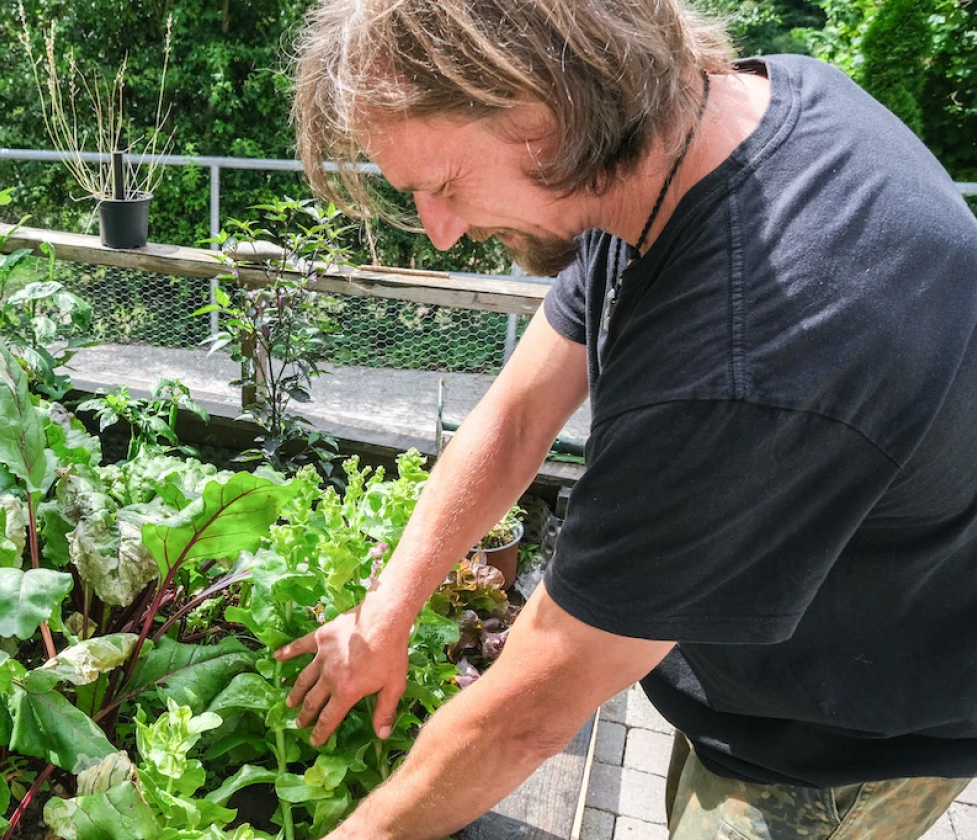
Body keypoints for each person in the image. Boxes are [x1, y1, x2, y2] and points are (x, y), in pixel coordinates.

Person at [274, 1, 977, 838]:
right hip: (766, 654)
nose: (441, 231)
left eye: (444, 185)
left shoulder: (742, 358)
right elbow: (518, 413)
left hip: (841, 736)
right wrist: (387, 609)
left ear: (544, 109)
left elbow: (529, 717)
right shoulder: (680, 144)